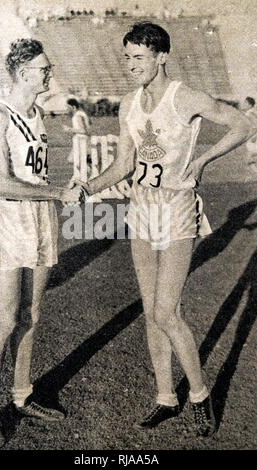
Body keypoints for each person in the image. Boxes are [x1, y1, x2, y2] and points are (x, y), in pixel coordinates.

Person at [72, 22, 253, 437]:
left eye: (139, 57)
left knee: (166, 311)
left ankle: (200, 394)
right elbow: (123, 165)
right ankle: (165, 397)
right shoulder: (128, 105)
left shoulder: (183, 96)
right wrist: (87, 188)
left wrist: (204, 159)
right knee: (152, 312)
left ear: (161, 57)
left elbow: (244, 125)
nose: (130, 65)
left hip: (176, 209)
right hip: (142, 212)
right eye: (127, 57)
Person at [0, 38, 82, 448]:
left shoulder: (38, 114)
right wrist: (58, 193)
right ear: (23, 73)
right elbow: (2, 182)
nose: (49, 72)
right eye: (44, 68)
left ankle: (22, 395)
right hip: (9, 217)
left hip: (40, 215)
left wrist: (57, 193)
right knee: (4, 317)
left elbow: (36, 176)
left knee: (33, 312)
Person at [64, 98, 91, 164]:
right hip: (83, 139)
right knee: (78, 161)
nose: (67, 109)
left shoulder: (78, 115)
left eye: (68, 107)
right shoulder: (82, 114)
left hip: (80, 139)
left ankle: (90, 163)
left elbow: (84, 130)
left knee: (73, 160)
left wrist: (69, 129)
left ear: (73, 107)